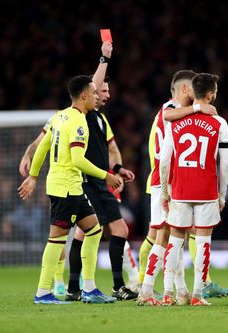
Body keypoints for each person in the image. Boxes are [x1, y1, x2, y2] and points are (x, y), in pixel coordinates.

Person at [19, 42, 140, 300]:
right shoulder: (77, 122)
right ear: (85, 95)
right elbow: (77, 159)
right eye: (94, 92)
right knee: (57, 238)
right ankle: (43, 291)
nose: (98, 95)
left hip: (70, 186)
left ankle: (88, 288)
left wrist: (33, 175)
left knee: (94, 230)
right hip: (67, 186)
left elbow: (42, 149)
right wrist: (106, 174)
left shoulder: (60, 116)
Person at [160, 73, 228, 306]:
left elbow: (165, 159)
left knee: (175, 242)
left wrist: (164, 190)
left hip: (180, 189)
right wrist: (222, 195)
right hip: (206, 191)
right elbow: (226, 164)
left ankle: (168, 293)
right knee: (203, 243)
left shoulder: (175, 120)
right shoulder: (219, 122)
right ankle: (198, 295)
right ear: (210, 94)